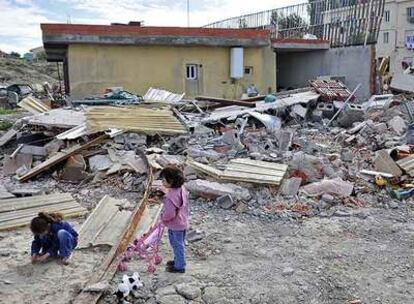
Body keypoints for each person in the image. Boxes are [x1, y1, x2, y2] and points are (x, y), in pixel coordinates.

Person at [159, 166, 189, 273]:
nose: (162, 181)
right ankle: (178, 261)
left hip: (175, 224)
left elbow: (169, 214)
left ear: (171, 181)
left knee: (177, 244)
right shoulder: (182, 189)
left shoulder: (170, 197)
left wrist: (163, 218)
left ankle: (179, 266)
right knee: (179, 243)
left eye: (163, 179)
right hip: (182, 221)